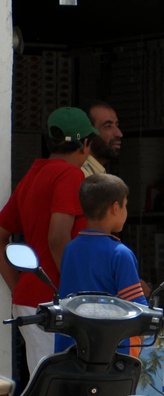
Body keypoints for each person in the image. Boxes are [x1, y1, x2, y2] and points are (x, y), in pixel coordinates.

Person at [0, 107, 95, 377]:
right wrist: (76, 291)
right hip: (57, 304)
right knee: (58, 395)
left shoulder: (33, 176)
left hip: (33, 299)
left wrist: (17, 287)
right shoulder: (71, 175)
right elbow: (57, 236)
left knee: (45, 388)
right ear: (85, 144)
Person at [55, 174, 147, 357]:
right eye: (125, 205)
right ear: (115, 208)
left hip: (70, 352)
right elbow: (138, 310)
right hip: (109, 357)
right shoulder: (120, 254)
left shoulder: (71, 250)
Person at [81, 101, 123, 177]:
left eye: (116, 125)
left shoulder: (96, 172)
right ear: (88, 133)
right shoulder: (82, 176)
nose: (119, 134)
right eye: (108, 126)